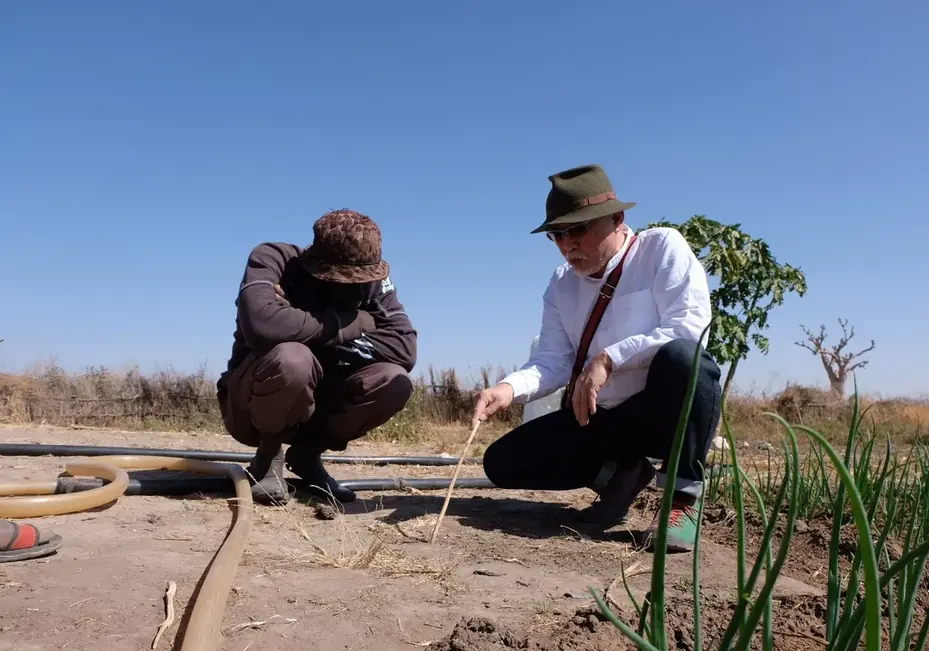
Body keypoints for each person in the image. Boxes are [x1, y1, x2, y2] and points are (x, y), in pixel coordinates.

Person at [472, 164, 722, 552]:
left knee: (685, 360)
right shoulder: (561, 285)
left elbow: (689, 327)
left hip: (662, 411)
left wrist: (608, 359)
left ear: (617, 219)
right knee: (502, 462)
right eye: (557, 235)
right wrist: (508, 389)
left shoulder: (660, 249)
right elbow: (552, 360)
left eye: (578, 230)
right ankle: (622, 476)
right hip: (602, 417)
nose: (567, 244)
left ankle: (682, 500)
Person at [217, 209, 417, 506]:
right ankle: (267, 458)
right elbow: (263, 325)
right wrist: (354, 323)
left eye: (358, 282)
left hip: (318, 403)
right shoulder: (274, 260)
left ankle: (307, 456)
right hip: (249, 406)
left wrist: (301, 325)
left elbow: (404, 349)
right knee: (294, 358)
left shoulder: (375, 283)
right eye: (340, 281)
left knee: (394, 382)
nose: (351, 290)